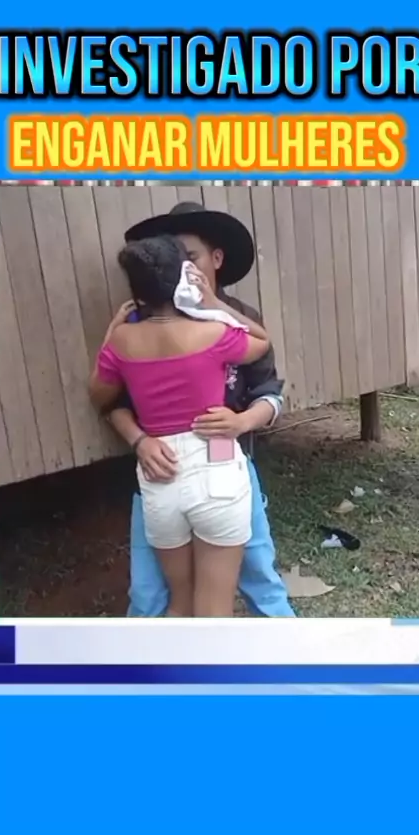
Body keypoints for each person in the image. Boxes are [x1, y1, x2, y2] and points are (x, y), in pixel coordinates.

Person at [107, 201, 295, 618]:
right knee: (147, 594)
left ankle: (289, 651)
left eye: (189, 258)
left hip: (229, 462)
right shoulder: (140, 326)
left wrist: (241, 421)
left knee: (262, 578)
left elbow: (270, 393)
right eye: (173, 261)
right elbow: (113, 402)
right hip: (158, 467)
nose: (181, 270)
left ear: (216, 259)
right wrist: (139, 441)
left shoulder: (241, 319)